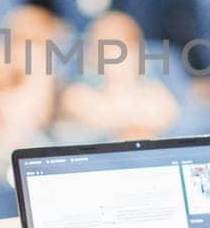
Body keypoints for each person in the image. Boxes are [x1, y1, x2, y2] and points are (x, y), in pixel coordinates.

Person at [56, 11, 178, 141]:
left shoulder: (153, 90)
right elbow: (103, 118)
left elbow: (167, 114)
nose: (118, 64)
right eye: (108, 54)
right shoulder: (77, 94)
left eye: (125, 53)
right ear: (93, 58)